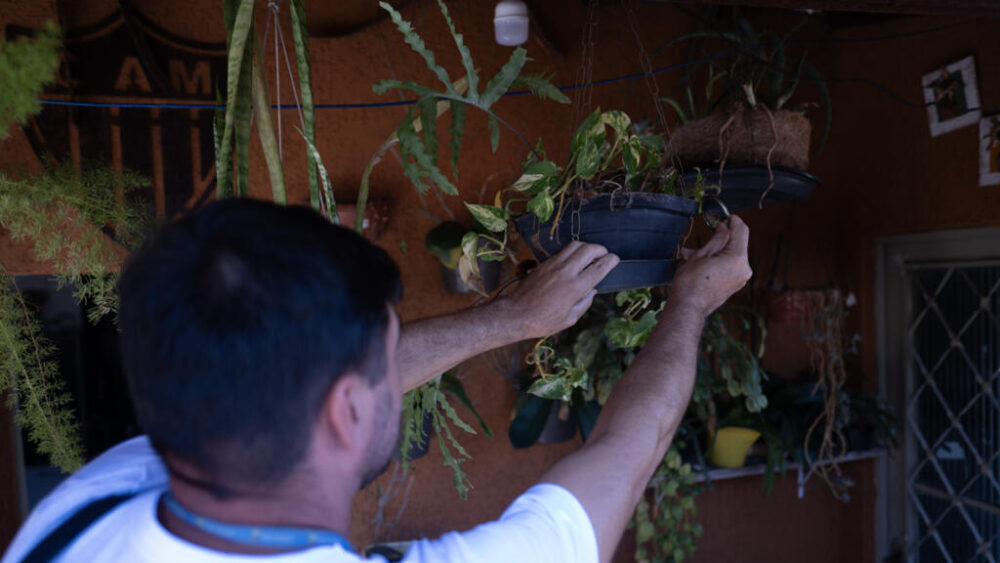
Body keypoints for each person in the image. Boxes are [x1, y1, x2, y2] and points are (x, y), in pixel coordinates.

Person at [2, 198, 751, 562]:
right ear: (344, 407)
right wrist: (690, 300)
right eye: (385, 360)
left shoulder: (83, 511)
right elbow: (633, 445)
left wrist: (512, 318)